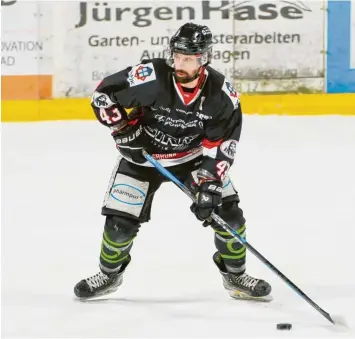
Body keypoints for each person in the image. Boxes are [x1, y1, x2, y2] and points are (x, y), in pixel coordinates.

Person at [74, 22, 272, 301]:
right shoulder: (152, 76)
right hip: (142, 158)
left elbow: (224, 145)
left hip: (190, 160)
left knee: (229, 217)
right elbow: (103, 95)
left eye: (188, 58)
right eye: (177, 55)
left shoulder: (220, 94)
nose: (180, 63)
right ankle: (109, 274)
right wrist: (123, 129)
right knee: (119, 229)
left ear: (203, 58)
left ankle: (236, 275)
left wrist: (209, 184)